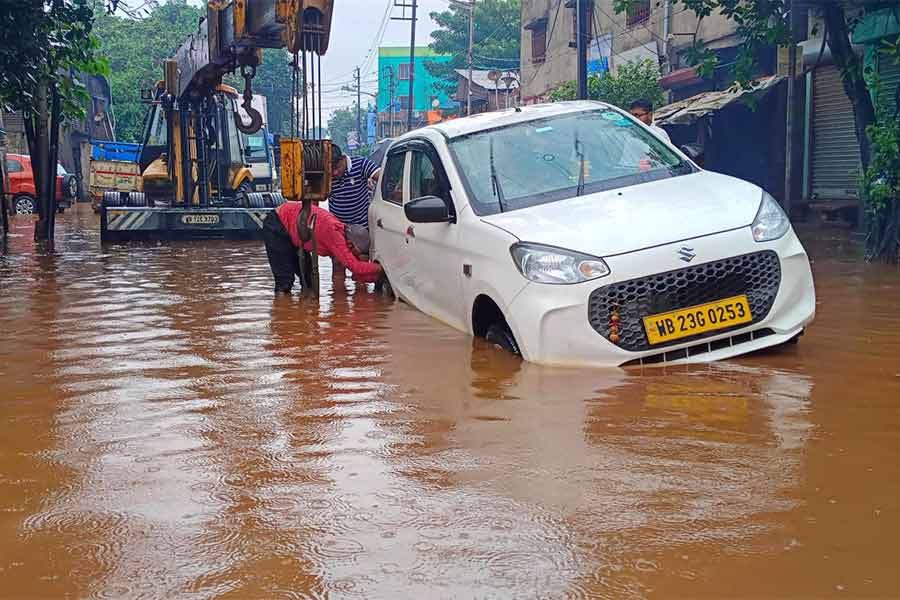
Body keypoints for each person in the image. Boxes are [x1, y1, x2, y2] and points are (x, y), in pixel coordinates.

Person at [263, 201, 383, 295]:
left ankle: (304, 314)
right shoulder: (336, 237)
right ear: (351, 244)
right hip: (277, 223)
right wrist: (383, 268)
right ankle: (282, 313)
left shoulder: (341, 229)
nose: (357, 256)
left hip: (294, 227)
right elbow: (355, 267)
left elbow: (356, 274)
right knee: (284, 280)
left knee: (309, 278)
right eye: (358, 253)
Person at [327, 145, 381, 281]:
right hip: (338, 230)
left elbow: (381, 177)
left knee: (361, 271)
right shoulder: (325, 175)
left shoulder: (361, 164)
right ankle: (339, 300)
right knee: (338, 269)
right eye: (330, 169)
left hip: (361, 230)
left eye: (337, 168)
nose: (334, 173)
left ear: (343, 159)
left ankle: (361, 300)